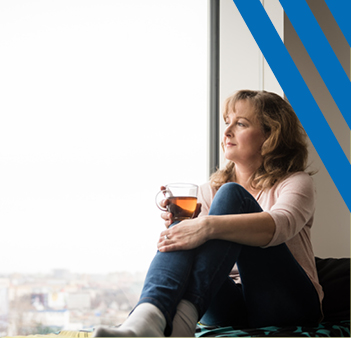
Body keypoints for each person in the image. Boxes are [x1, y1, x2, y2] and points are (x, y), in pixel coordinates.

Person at [93, 90, 323, 337]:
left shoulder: (295, 182)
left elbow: (280, 225)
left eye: (241, 123)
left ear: (270, 135)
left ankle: (162, 317)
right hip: (227, 304)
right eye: (227, 123)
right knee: (183, 223)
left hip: (286, 301)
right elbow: (188, 247)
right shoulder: (207, 191)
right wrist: (184, 226)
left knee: (231, 195)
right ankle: (148, 317)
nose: (226, 132)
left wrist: (206, 227)